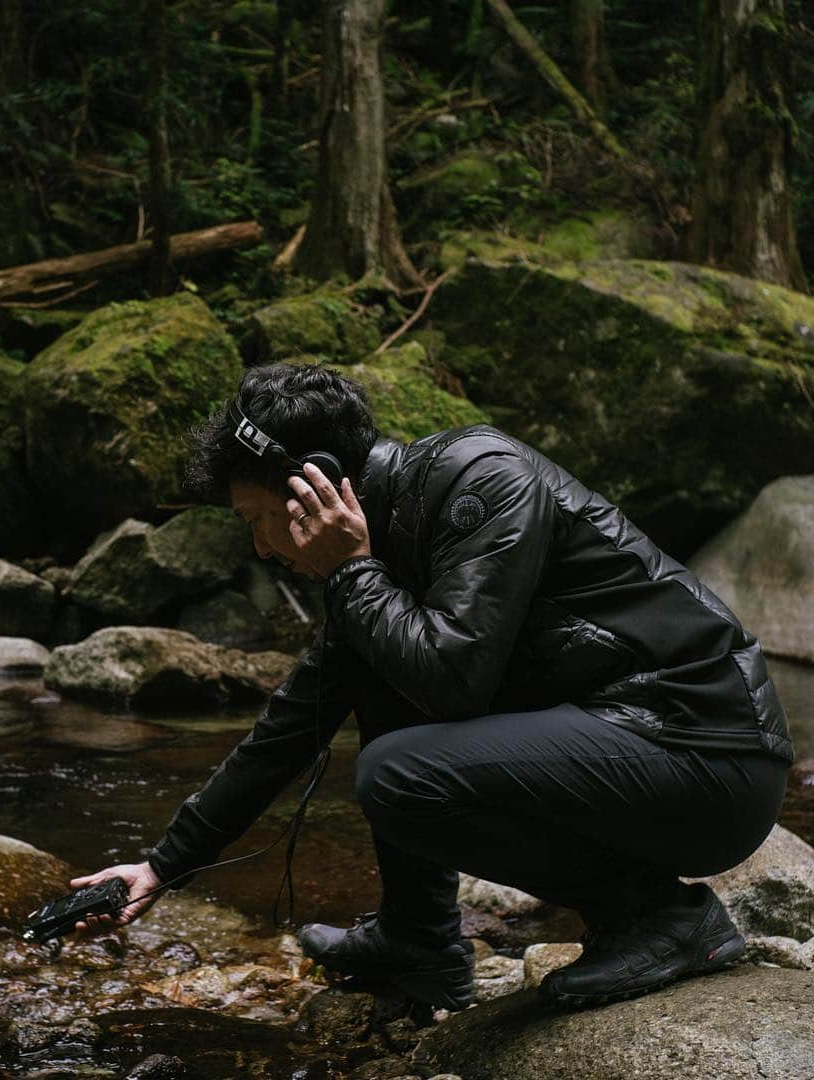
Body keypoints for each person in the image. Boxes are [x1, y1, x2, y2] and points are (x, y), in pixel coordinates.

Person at [69, 362, 792, 1010]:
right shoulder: (384, 543)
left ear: (313, 487)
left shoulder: (482, 479)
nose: (260, 547)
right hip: (642, 747)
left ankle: (659, 920)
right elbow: (291, 725)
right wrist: (164, 866)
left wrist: (353, 572)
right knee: (384, 683)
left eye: (259, 520)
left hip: (710, 755)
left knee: (397, 770)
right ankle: (419, 940)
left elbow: (452, 682)